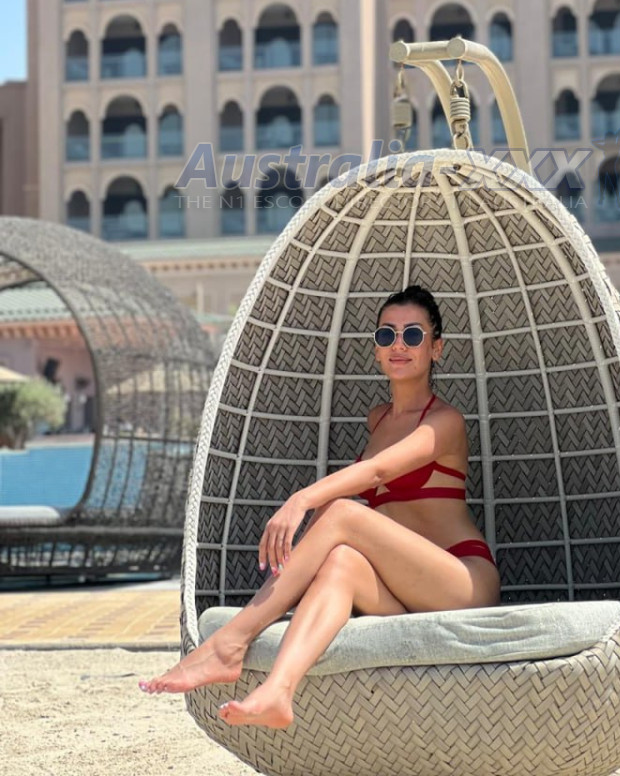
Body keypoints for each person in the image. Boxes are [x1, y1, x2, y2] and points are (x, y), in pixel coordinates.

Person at [140, 284, 500, 728]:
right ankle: (279, 691)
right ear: (376, 350)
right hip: (403, 589)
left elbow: (376, 473)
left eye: (413, 335)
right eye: (386, 335)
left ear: (436, 348)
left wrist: (302, 499)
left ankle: (231, 642)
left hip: (461, 581)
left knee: (341, 511)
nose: (398, 345)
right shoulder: (378, 419)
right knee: (341, 561)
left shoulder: (445, 421)